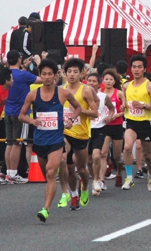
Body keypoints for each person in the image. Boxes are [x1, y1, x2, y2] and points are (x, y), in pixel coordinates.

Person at [18, 59, 83, 223]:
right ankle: (63, 192)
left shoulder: (63, 93)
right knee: (47, 176)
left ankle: (46, 209)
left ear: (56, 76)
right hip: (39, 141)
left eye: (50, 74)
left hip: (56, 139)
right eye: (44, 74)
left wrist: (71, 120)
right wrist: (31, 121)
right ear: (40, 75)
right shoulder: (32, 94)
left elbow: (78, 108)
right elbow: (21, 115)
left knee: (51, 172)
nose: (47, 77)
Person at [57, 58, 98, 210]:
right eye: (69, 72)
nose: (72, 75)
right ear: (64, 73)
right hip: (66, 132)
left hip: (81, 134)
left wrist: (79, 111)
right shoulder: (61, 90)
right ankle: (71, 193)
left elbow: (95, 113)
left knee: (81, 168)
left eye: (75, 72)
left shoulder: (86, 90)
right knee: (64, 163)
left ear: (81, 74)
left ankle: (85, 187)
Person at [4, 50, 42, 184]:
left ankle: (9, 172)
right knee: (18, 143)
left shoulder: (6, 74)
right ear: (19, 60)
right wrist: (39, 61)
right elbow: (42, 79)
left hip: (7, 111)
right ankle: (14, 173)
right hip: (22, 113)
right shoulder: (24, 75)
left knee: (9, 143)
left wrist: (24, 66)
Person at [121, 55, 151, 191]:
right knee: (128, 148)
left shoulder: (149, 86)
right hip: (131, 121)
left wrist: (143, 106)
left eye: (139, 67)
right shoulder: (126, 86)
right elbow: (126, 101)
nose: (136, 70)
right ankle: (129, 178)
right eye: (134, 67)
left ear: (144, 69)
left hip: (146, 123)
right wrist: (124, 106)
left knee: (147, 155)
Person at [85, 73, 113, 196]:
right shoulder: (82, 95)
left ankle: (96, 180)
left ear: (98, 83)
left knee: (97, 156)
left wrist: (109, 117)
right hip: (85, 130)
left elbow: (112, 108)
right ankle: (93, 178)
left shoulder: (103, 96)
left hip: (99, 129)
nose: (91, 83)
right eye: (89, 81)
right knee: (89, 161)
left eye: (94, 81)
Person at [100, 69, 126, 188]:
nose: (108, 81)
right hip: (104, 127)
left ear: (114, 81)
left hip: (117, 126)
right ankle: (101, 181)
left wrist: (116, 115)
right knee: (103, 153)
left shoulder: (119, 93)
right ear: (103, 80)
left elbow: (125, 111)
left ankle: (119, 172)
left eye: (111, 79)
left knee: (117, 156)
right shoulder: (100, 93)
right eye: (106, 79)